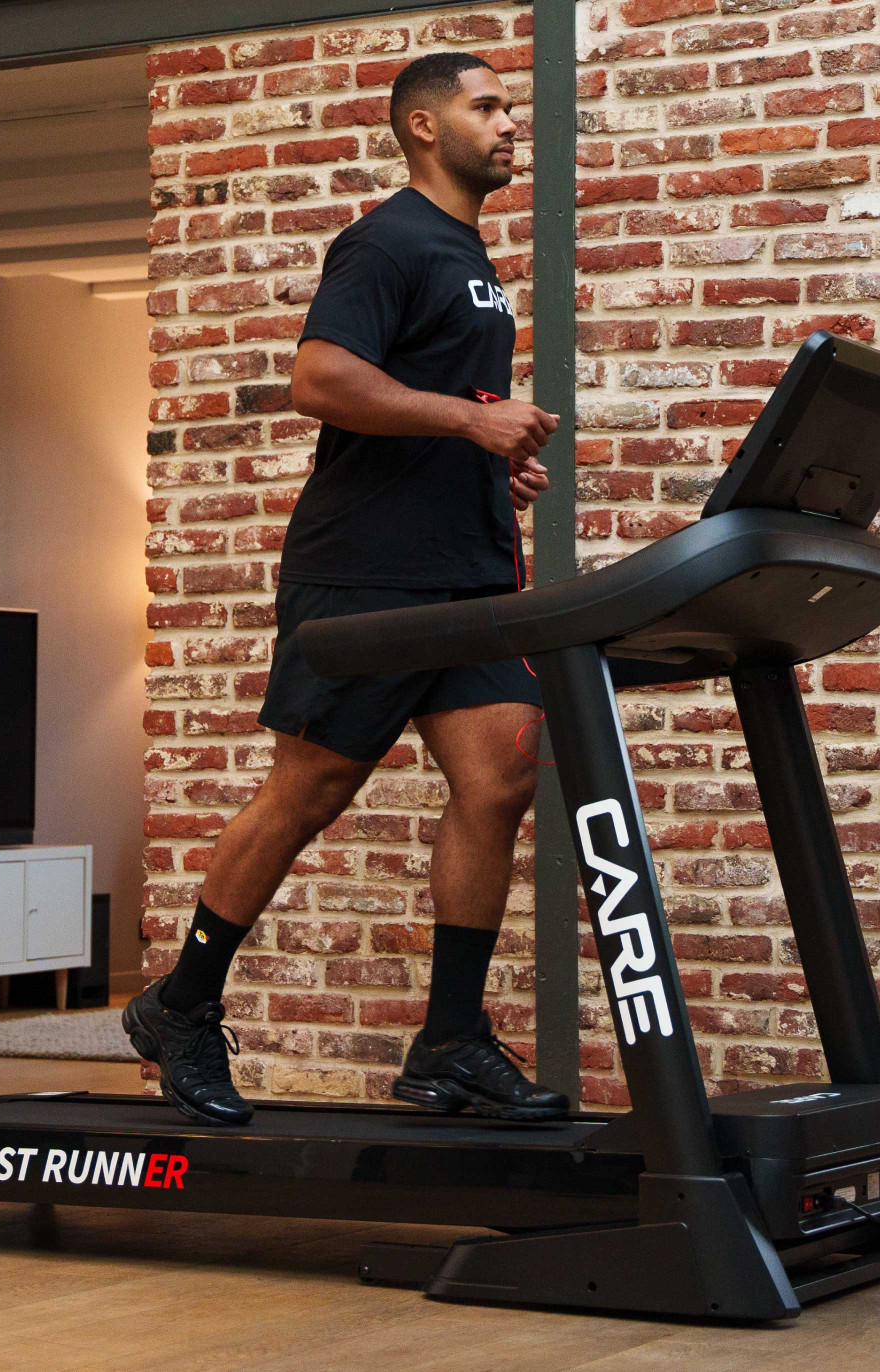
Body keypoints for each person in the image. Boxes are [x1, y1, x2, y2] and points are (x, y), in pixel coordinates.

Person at [124, 51, 565, 1126]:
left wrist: (491, 457)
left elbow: (425, 400)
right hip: (365, 570)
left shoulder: (468, 254)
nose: (509, 123)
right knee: (308, 792)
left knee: (501, 777)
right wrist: (470, 422)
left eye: (509, 107)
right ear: (424, 127)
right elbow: (318, 378)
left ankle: (450, 1040)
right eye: (487, 107)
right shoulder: (387, 239)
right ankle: (182, 1005)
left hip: (463, 571)